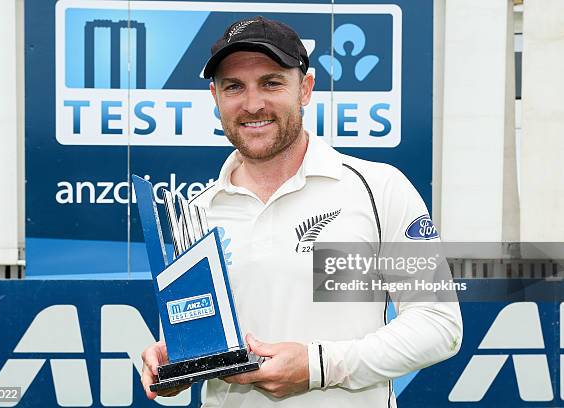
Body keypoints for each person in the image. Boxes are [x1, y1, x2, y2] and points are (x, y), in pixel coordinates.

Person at [142, 16, 462, 407]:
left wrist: (319, 366)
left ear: (305, 88)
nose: (252, 103)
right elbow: (193, 339)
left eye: (271, 82)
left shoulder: (379, 188)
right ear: (215, 97)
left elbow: (439, 325)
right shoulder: (195, 212)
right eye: (234, 87)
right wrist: (171, 362)